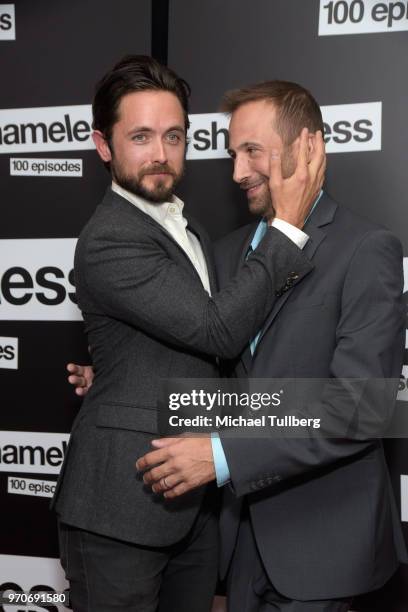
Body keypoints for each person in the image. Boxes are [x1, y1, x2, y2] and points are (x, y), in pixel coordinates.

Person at [53, 56, 325, 612]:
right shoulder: (110, 238)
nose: (160, 154)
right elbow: (218, 330)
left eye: (174, 136)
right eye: (141, 136)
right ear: (103, 146)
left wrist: (120, 369)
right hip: (120, 507)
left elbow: (179, 347)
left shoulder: (188, 225)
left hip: (195, 505)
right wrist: (288, 227)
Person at [133, 81, 407, 611]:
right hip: (238, 542)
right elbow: (221, 368)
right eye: (233, 153)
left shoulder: (366, 249)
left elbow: (360, 408)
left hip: (324, 545)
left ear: (307, 148)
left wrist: (222, 454)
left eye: (252, 151)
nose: (237, 173)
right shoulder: (228, 253)